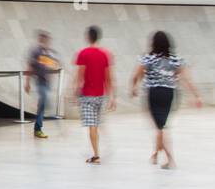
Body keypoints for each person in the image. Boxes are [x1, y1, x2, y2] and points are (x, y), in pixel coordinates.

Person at [131, 30, 202, 168]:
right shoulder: (175, 59)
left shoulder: (148, 58)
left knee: (160, 128)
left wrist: (133, 88)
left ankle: (170, 160)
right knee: (161, 125)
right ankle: (156, 154)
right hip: (169, 94)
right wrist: (196, 95)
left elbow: (136, 75)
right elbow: (187, 79)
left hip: (154, 93)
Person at [74, 25, 116, 163]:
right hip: (100, 95)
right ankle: (101, 149)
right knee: (97, 124)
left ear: (88, 37)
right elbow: (108, 77)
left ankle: (96, 155)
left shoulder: (83, 53)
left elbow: (80, 75)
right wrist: (112, 97)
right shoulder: (105, 54)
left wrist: (74, 92)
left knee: (92, 125)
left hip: (87, 95)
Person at [25, 30, 60, 139]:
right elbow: (30, 67)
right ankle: (38, 128)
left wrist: (55, 67)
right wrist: (27, 82)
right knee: (43, 101)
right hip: (39, 81)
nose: (46, 42)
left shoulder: (48, 53)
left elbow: (54, 65)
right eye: (45, 40)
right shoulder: (36, 52)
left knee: (43, 103)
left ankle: (38, 126)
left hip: (46, 82)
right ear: (41, 40)